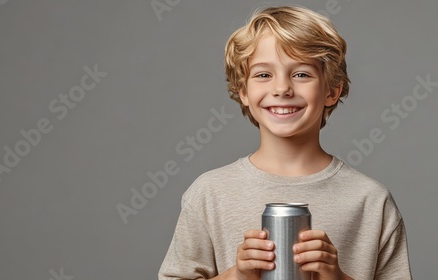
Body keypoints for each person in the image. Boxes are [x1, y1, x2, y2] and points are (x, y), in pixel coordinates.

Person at [158, 5, 412, 280]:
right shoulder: (209, 193)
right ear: (243, 91)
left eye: (301, 74)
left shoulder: (370, 200)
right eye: (263, 75)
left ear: (331, 91)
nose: (281, 89)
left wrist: (337, 277)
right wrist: (237, 276)